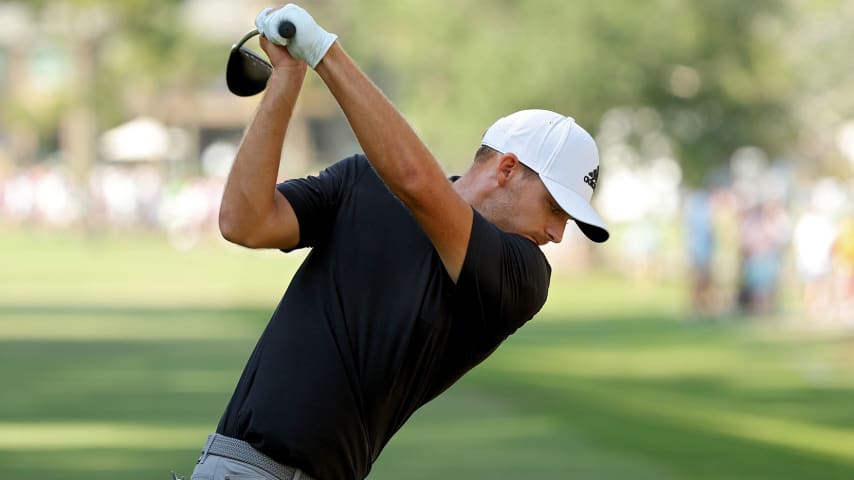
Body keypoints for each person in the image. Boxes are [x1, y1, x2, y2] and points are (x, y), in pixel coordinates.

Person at [187, 4, 609, 480]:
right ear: (506, 169)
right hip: (237, 465)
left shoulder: (524, 276)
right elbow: (244, 221)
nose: (557, 233)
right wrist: (288, 76)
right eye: (555, 207)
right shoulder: (364, 181)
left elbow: (415, 182)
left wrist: (324, 50)